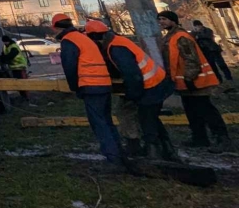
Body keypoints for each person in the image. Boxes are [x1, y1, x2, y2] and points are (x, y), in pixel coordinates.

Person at [84, 20, 179, 162]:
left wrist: (132, 95)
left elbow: (131, 73)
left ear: (96, 37)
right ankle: (166, 150)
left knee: (146, 118)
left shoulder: (116, 47)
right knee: (149, 118)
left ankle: (154, 152)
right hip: (154, 83)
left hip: (151, 85)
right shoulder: (116, 42)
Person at [53, 13, 122, 168]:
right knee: (106, 120)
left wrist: (75, 88)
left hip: (91, 85)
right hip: (103, 83)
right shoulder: (82, 37)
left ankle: (113, 158)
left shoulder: (69, 40)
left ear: (55, 27)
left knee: (98, 122)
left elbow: (70, 66)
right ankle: (119, 152)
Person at [159, 11, 234, 153]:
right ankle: (200, 138)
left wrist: (189, 78)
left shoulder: (181, 37)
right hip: (184, 83)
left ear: (173, 21)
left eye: (164, 19)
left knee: (206, 110)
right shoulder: (170, 37)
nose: (161, 22)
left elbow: (191, 59)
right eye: (160, 19)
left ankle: (222, 139)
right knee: (192, 112)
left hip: (195, 82)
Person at [192, 19, 233, 84]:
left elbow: (208, 36)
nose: (196, 28)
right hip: (205, 52)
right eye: (195, 27)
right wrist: (195, 33)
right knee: (212, 66)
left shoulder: (207, 30)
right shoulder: (195, 33)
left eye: (197, 26)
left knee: (221, 64)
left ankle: (228, 77)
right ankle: (218, 79)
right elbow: (192, 38)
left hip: (213, 50)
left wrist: (198, 36)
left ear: (200, 25)